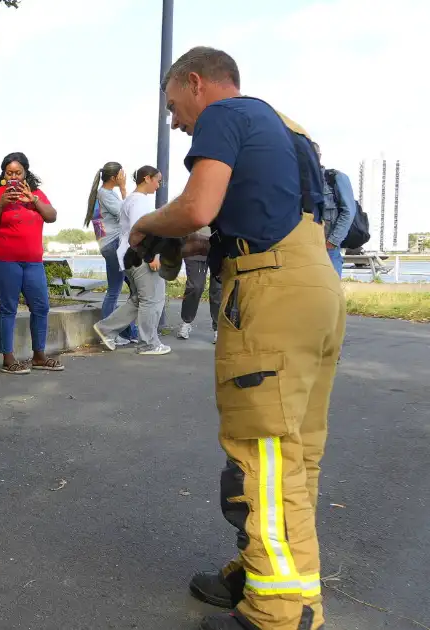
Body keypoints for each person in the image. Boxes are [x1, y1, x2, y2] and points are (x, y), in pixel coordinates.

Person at [130, 46, 345, 630]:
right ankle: (268, 572)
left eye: (175, 107)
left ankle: (277, 611)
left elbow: (198, 206)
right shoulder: (286, 128)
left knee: (262, 454)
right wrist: (199, 246)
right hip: (317, 288)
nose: (176, 123)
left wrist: (148, 225)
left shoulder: (225, 115)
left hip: (271, 297)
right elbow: (258, 222)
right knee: (296, 454)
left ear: (197, 83)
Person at [0, 152, 63, 374]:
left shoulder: (36, 194)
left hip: (33, 262)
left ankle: (39, 356)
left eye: (18, 173)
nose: (14, 177)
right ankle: (8, 359)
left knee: (41, 307)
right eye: (9, 173)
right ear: (3, 174)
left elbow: (52, 216)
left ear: (26, 173)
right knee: (8, 308)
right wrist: (0, 205)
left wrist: (35, 201)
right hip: (4, 260)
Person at [92, 166, 171, 356]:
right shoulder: (139, 202)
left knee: (139, 300)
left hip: (129, 257)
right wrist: (152, 256)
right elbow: (140, 230)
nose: (159, 185)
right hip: (141, 258)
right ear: (147, 178)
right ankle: (148, 344)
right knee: (153, 299)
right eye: (157, 180)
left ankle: (105, 329)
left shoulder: (131, 200)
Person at [85, 162, 136, 345]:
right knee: (115, 291)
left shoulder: (104, 194)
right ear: (114, 177)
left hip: (109, 245)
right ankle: (108, 333)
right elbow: (128, 213)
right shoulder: (106, 194)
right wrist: (124, 188)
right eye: (122, 174)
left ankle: (130, 332)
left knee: (134, 289)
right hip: (114, 245)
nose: (124, 176)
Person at [311, 142, 358, 277]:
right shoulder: (298, 182)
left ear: (319, 156)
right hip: (305, 250)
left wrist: (332, 242)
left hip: (328, 249)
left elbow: (348, 211)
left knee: (331, 294)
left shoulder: (335, 178)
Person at [179, 225, 222, 344]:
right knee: (195, 287)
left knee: (218, 289)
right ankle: (186, 322)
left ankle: (219, 328)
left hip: (219, 247)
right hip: (194, 246)